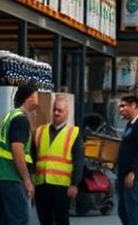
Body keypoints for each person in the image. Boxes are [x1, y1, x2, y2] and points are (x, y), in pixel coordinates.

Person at [0, 83, 38, 225]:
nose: (37, 101)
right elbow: (17, 150)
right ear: (29, 98)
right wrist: (27, 179)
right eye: (36, 97)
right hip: (10, 175)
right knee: (19, 219)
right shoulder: (21, 120)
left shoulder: (10, 115)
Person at [33, 96, 83, 225]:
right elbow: (33, 158)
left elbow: (78, 161)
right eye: (55, 109)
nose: (56, 113)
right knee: (44, 220)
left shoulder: (73, 133)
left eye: (60, 110)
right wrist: (30, 181)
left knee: (62, 220)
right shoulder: (40, 131)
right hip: (41, 184)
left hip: (61, 186)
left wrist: (74, 184)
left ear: (67, 113)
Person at [115, 94, 138, 225]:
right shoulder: (130, 125)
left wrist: (133, 172)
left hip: (134, 175)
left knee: (131, 210)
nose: (120, 110)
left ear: (133, 105)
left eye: (123, 106)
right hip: (124, 174)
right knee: (123, 210)